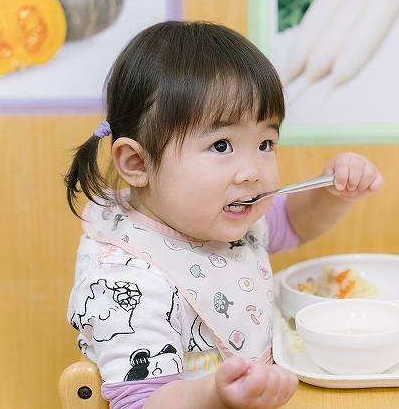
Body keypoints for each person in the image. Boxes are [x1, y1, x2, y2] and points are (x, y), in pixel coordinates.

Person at [64, 21, 382, 409]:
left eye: (265, 143)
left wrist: (333, 193)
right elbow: (141, 402)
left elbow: (291, 223)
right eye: (221, 145)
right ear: (137, 162)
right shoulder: (127, 281)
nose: (252, 170)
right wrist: (215, 394)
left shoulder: (223, 217)